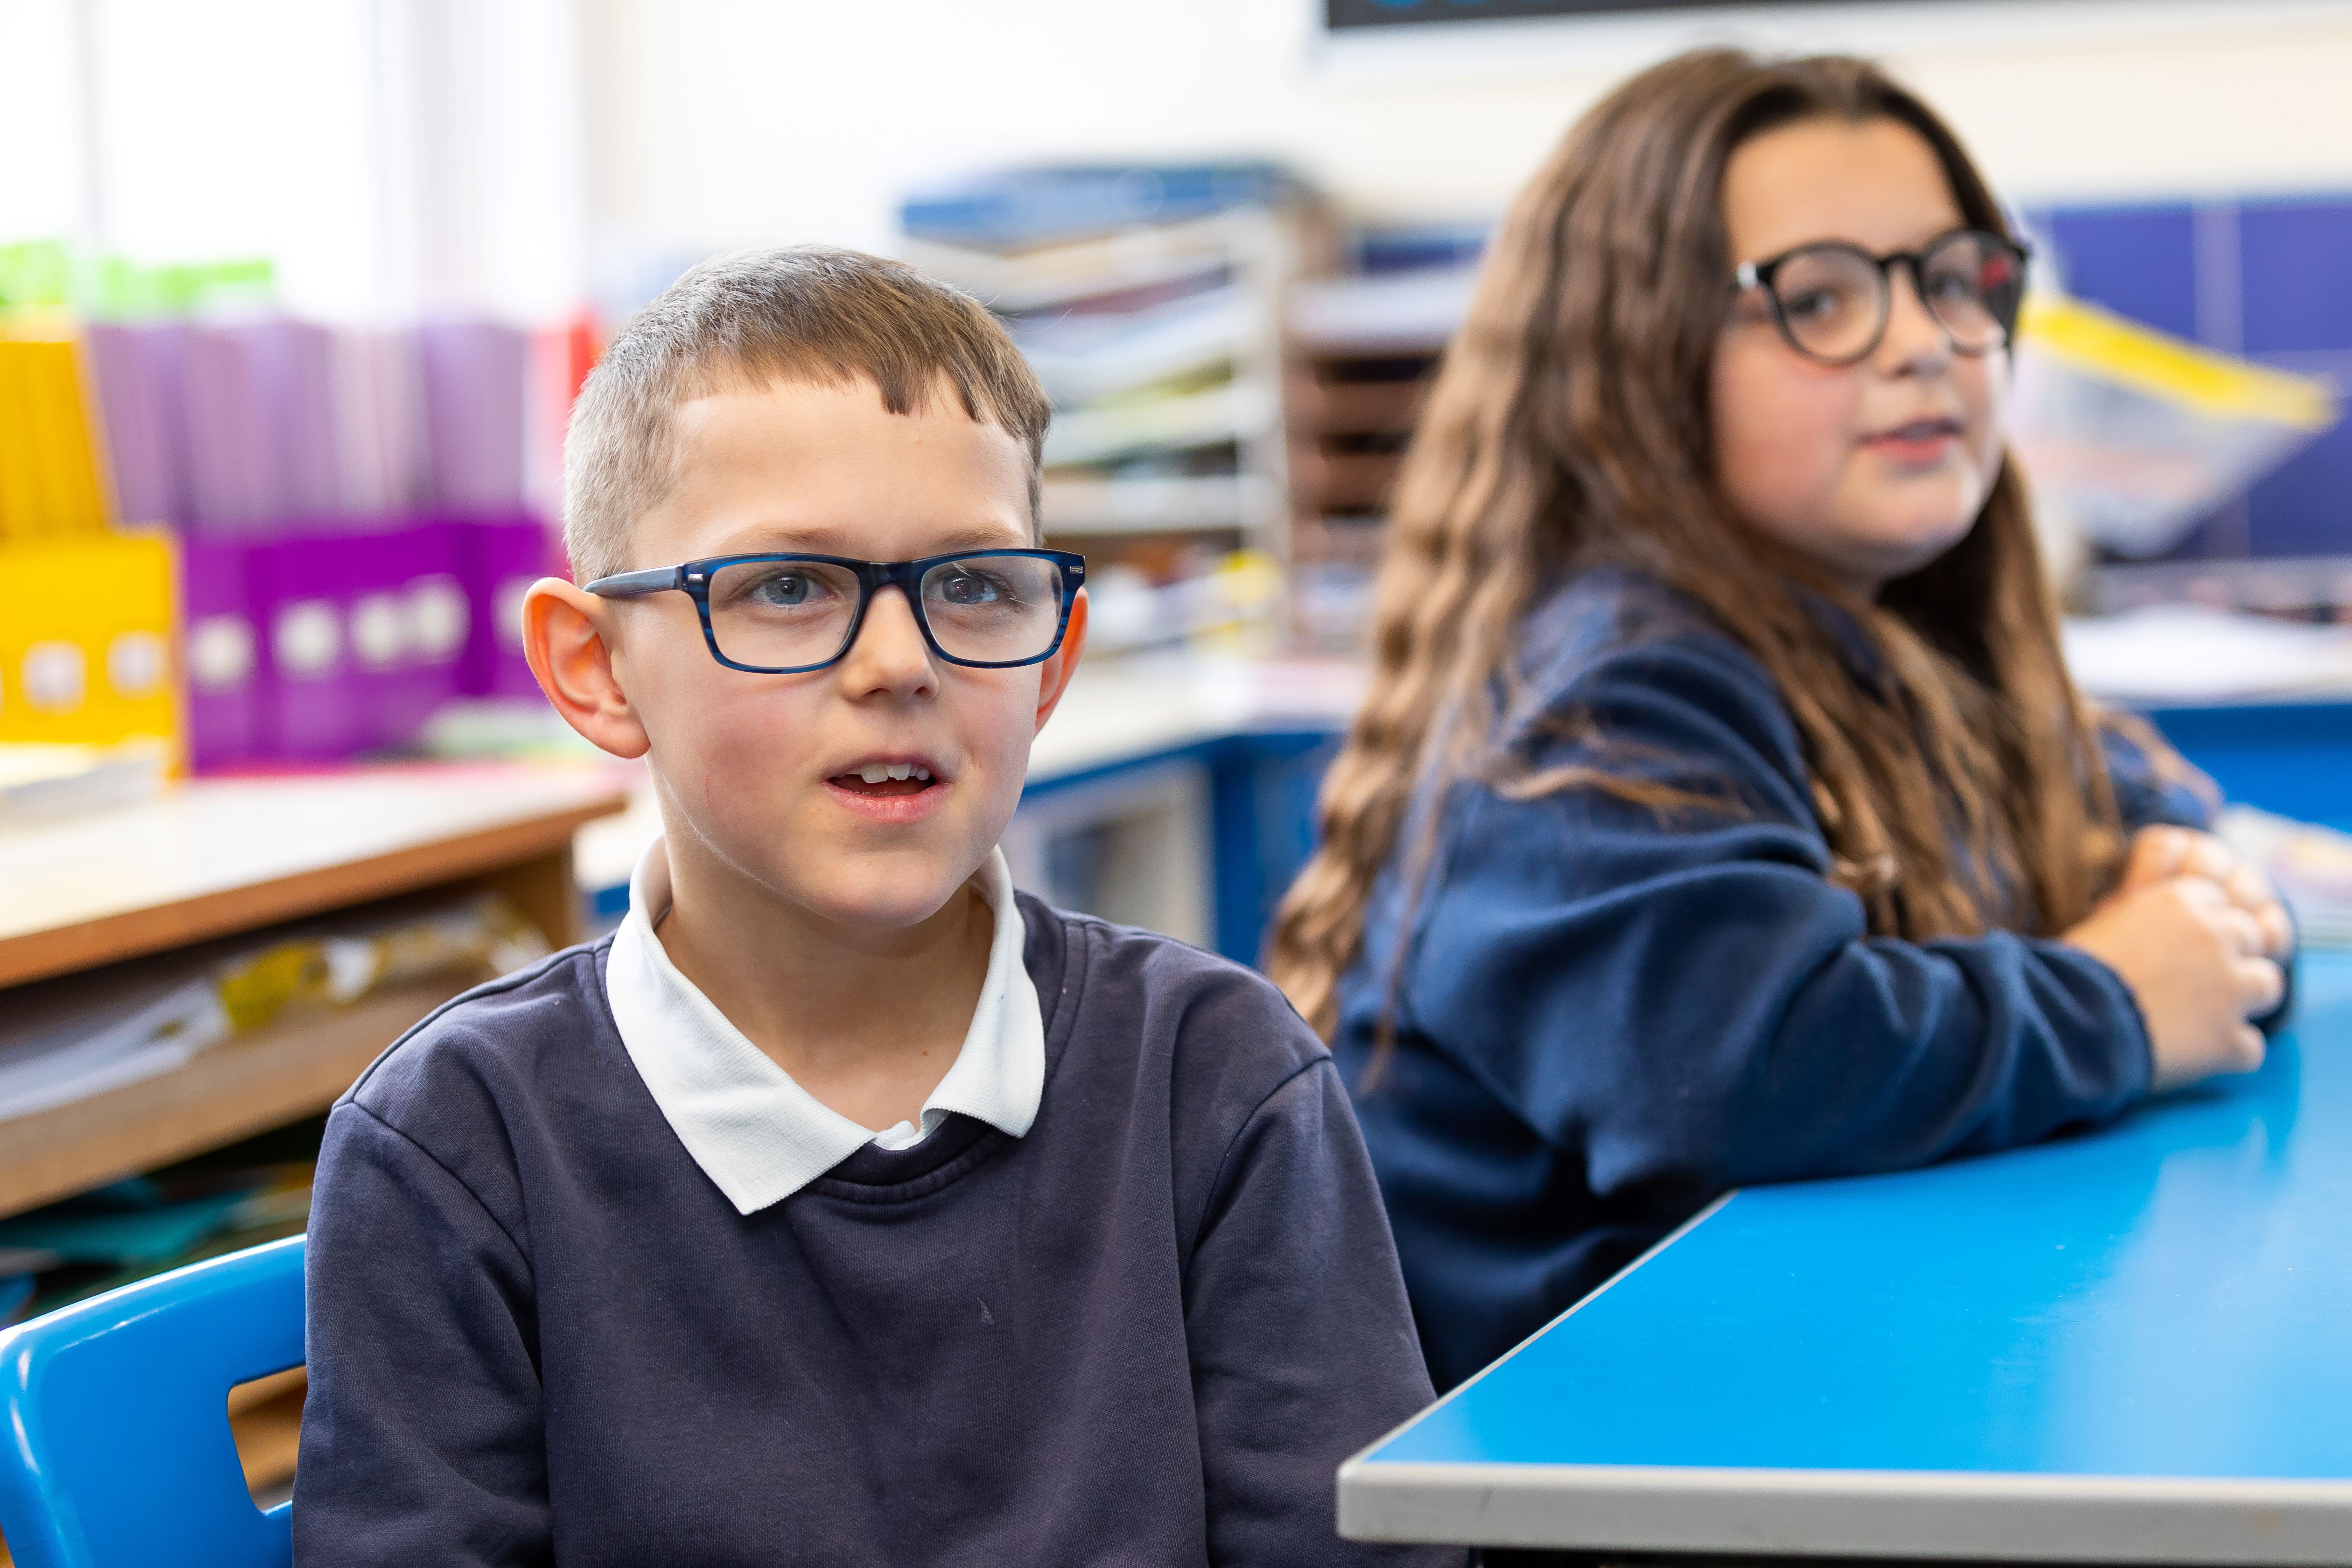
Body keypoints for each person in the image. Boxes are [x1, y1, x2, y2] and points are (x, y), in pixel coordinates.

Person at [295, 247, 1454, 1566]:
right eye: (788, 587)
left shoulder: (1215, 1077)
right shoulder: (456, 1147)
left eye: (974, 586)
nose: (900, 664)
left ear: (1052, 660)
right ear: (597, 668)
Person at [1267, 50, 2295, 1394]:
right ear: (1632, 363)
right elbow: (1737, 1067)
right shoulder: (1603, 690)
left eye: (1952, 279)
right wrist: (2118, 1000)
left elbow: (2113, 811)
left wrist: (2187, 885)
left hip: (1799, 1394)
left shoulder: (1888, 642)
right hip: (1589, 1484)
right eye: (1817, 298)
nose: (1924, 339)